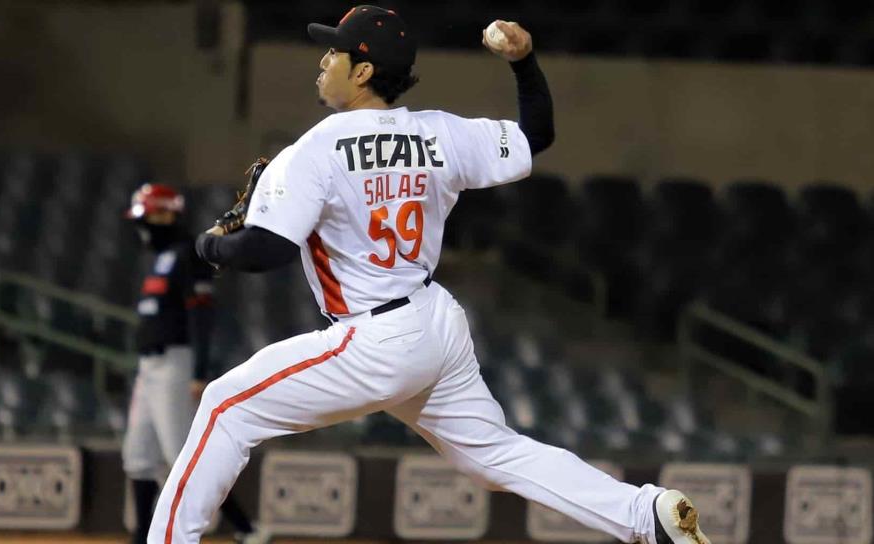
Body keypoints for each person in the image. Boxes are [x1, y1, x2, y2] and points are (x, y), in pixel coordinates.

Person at [151, 7, 711, 544]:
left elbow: (267, 250)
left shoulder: (314, 149)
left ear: (364, 72)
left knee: (226, 405)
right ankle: (644, 514)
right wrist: (524, 61)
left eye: (336, 52)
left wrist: (209, 246)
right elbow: (535, 136)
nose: (324, 60)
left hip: (374, 338)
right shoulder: (438, 133)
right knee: (495, 453)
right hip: (434, 323)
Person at [123, 184, 268, 544]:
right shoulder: (160, 256)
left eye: (146, 217)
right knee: (138, 455)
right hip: (149, 367)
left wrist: (199, 372)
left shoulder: (187, 253)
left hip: (176, 364)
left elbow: (201, 316)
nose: (142, 227)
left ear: (164, 215)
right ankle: (141, 537)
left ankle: (248, 530)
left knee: (182, 456)